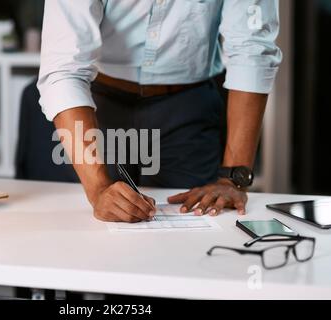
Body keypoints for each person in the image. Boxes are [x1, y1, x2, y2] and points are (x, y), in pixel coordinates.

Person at [37, 0, 282, 222]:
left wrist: (233, 179)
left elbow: (253, 53)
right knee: (93, 234)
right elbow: (64, 70)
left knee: (196, 229)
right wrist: (98, 188)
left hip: (187, 111)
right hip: (98, 110)